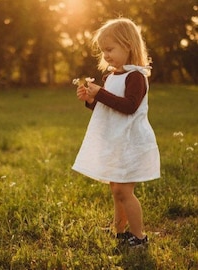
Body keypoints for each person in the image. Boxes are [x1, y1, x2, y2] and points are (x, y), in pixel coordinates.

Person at [72, 18, 160, 248]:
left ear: (128, 44)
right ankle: (119, 230)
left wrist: (100, 94)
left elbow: (129, 106)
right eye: (103, 51)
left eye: (110, 49)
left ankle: (139, 236)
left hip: (131, 142)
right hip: (116, 141)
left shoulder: (136, 76)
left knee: (123, 190)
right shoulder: (111, 76)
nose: (106, 55)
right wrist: (91, 100)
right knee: (116, 189)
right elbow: (109, 108)